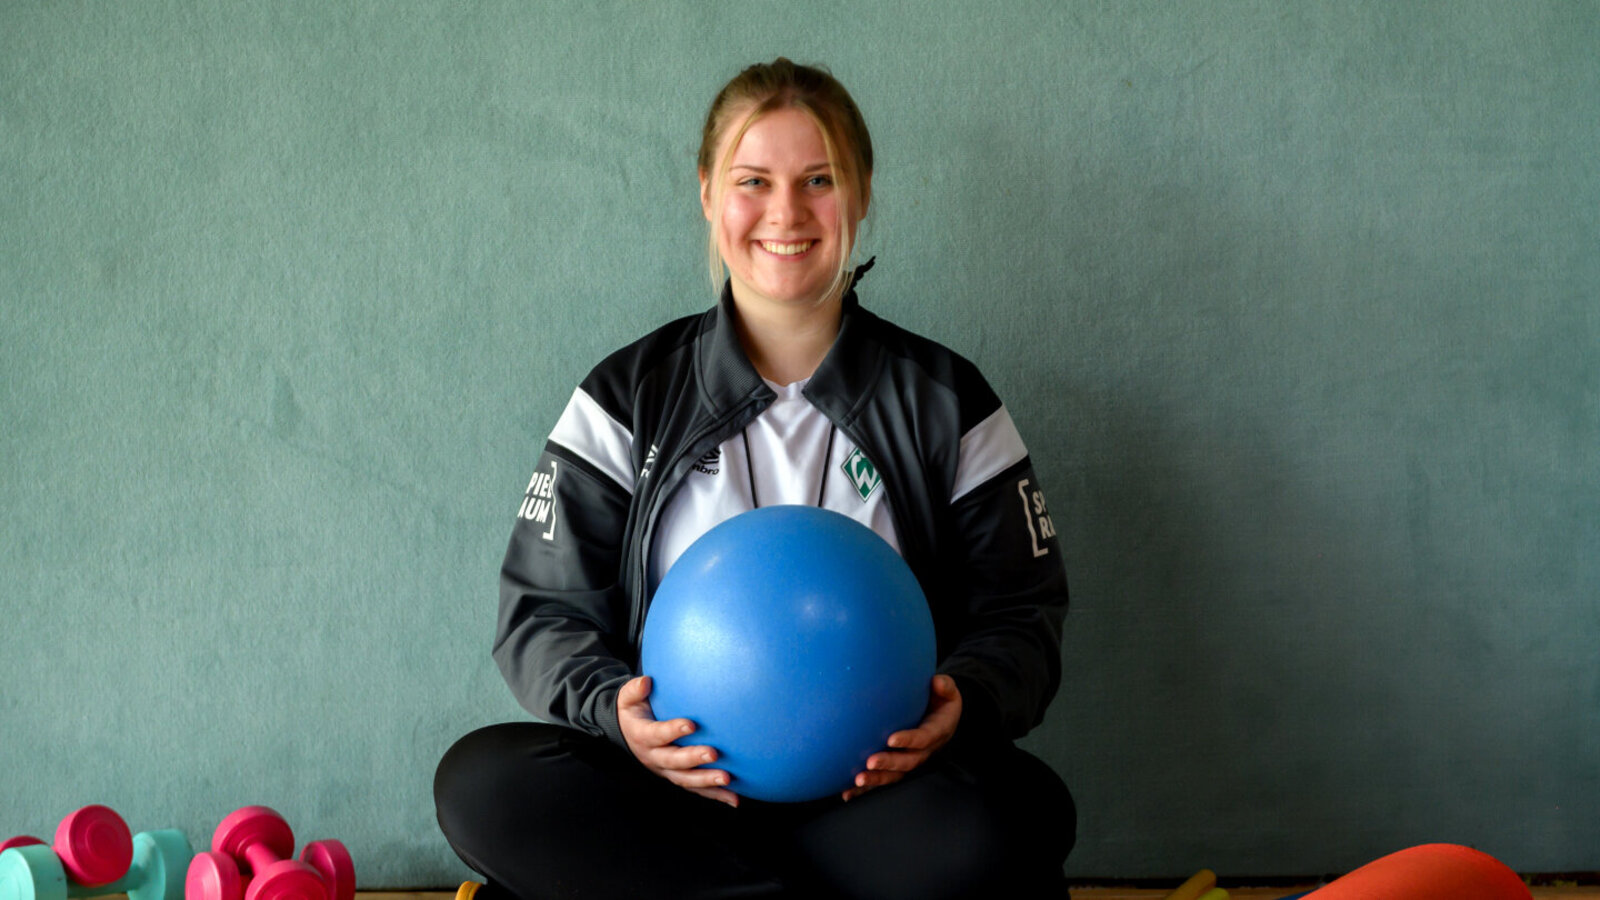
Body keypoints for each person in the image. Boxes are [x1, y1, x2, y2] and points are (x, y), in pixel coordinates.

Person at [434, 58, 1075, 900]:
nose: (786, 213)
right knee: (485, 781)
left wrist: (971, 699)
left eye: (819, 180)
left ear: (863, 193)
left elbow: (1023, 616)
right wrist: (614, 712)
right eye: (753, 181)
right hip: (676, 802)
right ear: (707, 193)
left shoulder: (947, 399)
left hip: (877, 801)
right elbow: (540, 613)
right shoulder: (627, 396)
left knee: (1025, 811)